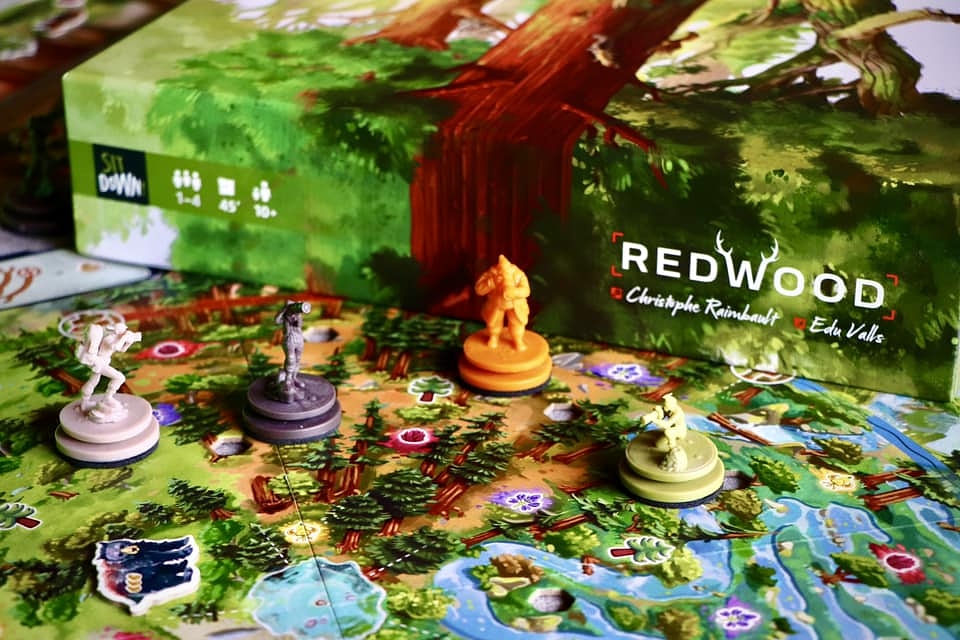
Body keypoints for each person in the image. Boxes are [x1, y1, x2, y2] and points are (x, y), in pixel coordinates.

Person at [76, 322, 142, 420]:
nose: (124, 331)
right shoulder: (109, 338)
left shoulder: (117, 338)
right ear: (117, 331)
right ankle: (108, 397)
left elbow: (122, 350)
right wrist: (124, 338)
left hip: (103, 361)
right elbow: (116, 347)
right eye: (123, 330)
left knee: (93, 381)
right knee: (120, 378)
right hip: (99, 362)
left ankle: (84, 402)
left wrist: (129, 342)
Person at [475, 255, 530, 351]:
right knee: (493, 322)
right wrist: (491, 283)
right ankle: (494, 337)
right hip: (496, 304)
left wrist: (514, 292)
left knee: (517, 323)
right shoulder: (491, 274)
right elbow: (479, 289)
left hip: (515, 304)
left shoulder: (518, 275)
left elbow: (526, 290)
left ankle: (518, 340)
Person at [274, 300, 311, 401]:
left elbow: (299, 324)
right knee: (291, 359)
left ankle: (294, 378)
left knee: (298, 359)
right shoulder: (284, 316)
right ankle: (288, 380)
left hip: (299, 338)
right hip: (289, 339)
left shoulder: (297, 315)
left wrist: (298, 315)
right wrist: (284, 310)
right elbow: (276, 321)